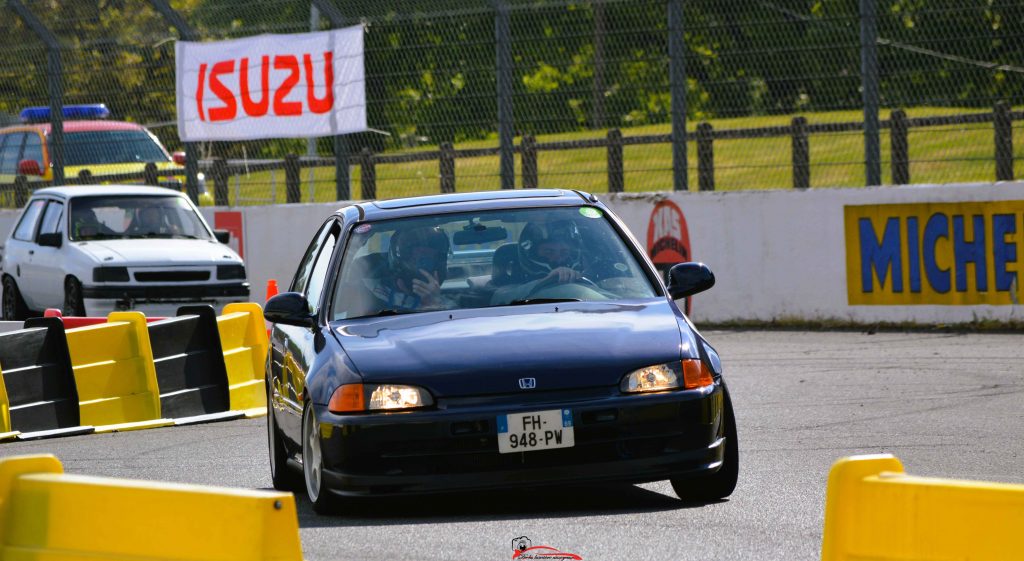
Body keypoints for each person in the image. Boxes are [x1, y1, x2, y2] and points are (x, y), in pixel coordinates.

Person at [361, 225, 452, 313]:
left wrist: (433, 304)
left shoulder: (452, 307)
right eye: (416, 260)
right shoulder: (370, 293)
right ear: (399, 260)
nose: (421, 267)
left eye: (427, 260)